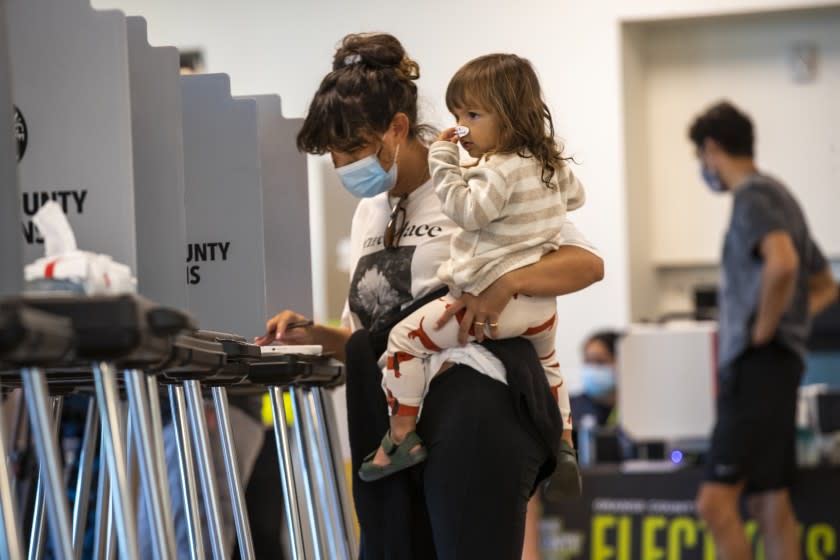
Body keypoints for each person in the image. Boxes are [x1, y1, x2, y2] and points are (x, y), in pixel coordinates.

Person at [255, 33, 604, 559]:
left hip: (476, 411)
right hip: (395, 418)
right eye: (332, 153)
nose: (340, 164)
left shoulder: (476, 184)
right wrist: (315, 336)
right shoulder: (372, 209)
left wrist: (507, 283)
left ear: (397, 128)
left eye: (351, 147)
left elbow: (586, 263)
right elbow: (367, 340)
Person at [357, 53, 584, 488]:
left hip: (488, 306)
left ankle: (401, 437)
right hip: (539, 308)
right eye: (457, 115)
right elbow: (575, 199)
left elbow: (467, 212)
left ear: (511, 114)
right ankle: (566, 442)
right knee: (550, 364)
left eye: (472, 115)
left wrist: (443, 160)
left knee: (403, 340)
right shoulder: (549, 163)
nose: (460, 128)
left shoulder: (495, 170)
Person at [689, 101, 838, 560]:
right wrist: (790, 324)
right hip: (778, 366)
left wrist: (764, 329)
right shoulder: (780, 195)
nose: (703, 168)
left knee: (715, 503)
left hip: (758, 366)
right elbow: (824, 284)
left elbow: (784, 264)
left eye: (700, 157)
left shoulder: (753, 196)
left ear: (712, 148)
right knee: (769, 501)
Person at [570, 330, 621, 430]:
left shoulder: (633, 410)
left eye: (601, 362)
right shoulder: (569, 408)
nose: (593, 368)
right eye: (588, 361)